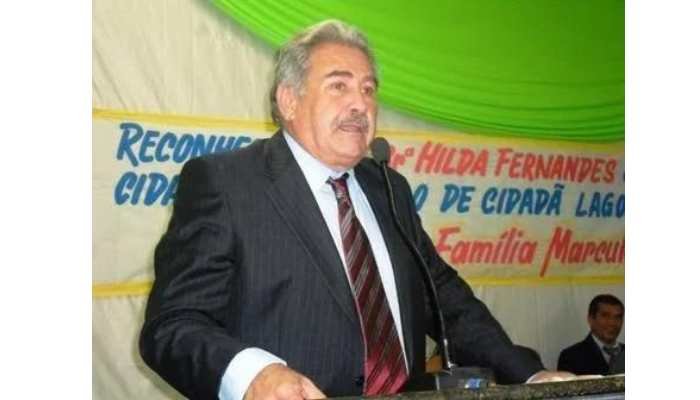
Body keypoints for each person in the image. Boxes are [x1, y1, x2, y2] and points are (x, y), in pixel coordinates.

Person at [139, 19, 574, 400]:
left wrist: (530, 375)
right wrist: (253, 375)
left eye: (369, 90)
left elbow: (445, 300)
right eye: (339, 85)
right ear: (288, 100)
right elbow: (173, 325)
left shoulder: (389, 188)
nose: (360, 104)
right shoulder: (227, 183)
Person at [557, 294, 625, 375]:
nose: (612, 323)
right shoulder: (571, 357)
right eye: (605, 316)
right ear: (590, 319)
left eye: (618, 317)